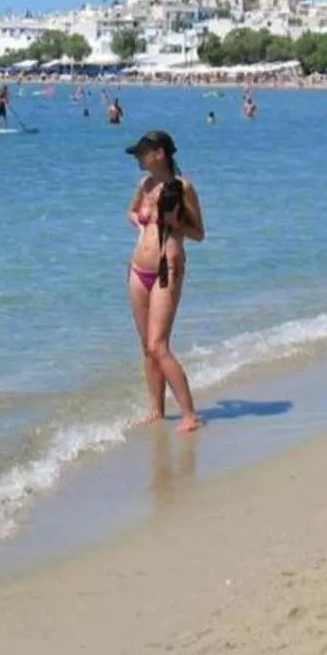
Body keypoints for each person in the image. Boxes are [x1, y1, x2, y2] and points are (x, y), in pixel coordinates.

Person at [125, 131, 204, 433]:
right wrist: (139, 220)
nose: (137, 159)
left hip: (166, 269)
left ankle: (189, 415)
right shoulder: (144, 184)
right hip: (137, 269)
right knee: (147, 346)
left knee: (159, 345)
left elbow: (199, 233)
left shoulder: (183, 188)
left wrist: (174, 224)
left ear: (159, 154)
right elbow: (131, 212)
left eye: (141, 154)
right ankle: (157, 410)